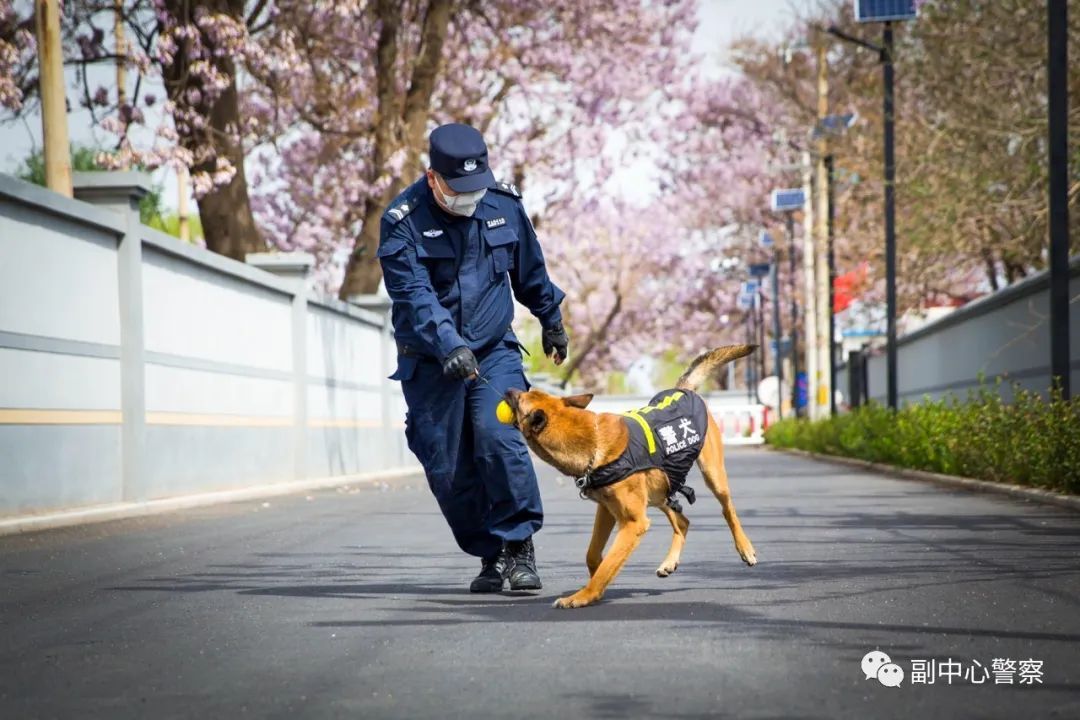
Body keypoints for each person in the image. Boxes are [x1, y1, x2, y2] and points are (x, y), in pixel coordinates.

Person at [378, 122, 569, 593]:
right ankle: (491, 554)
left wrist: (550, 317)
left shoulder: (502, 205)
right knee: (447, 463)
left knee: (498, 434)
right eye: (458, 189)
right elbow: (415, 297)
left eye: (476, 187)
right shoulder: (401, 222)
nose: (469, 197)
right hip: (429, 359)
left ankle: (520, 545)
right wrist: (448, 345)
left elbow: (529, 268)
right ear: (432, 178)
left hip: (492, 350)